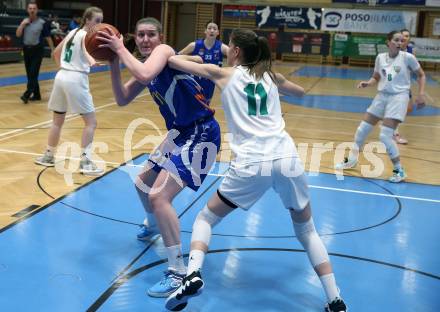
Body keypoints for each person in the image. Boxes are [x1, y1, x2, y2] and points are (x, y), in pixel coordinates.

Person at [165, 28, 347, 312]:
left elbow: (177, 62)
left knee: (206, 218)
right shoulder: (270, 76)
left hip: (252, 162)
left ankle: (192, 275)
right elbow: (298, 91)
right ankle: (335, 300)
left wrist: (165, 53)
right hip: (287, 157)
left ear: (235, 52)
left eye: (230, 47)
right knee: (308, 231)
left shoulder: (223, 74)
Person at [97, 17, 221, 297]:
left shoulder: (164, 52)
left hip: (201, 132)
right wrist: (114, 62)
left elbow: (142, 74)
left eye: (150, 34)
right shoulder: (146, 66)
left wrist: (119, 47)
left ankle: (178, 272)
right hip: (179, 133)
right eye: (140, 35)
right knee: (142, 182)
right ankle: (153, 225)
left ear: (160, 36)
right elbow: (121, 98)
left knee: (158, 196)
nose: (144, 39)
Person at [335, 30, 426, 183]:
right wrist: (368, 83)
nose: (399, 43)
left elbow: (421, 75)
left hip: (399, 98)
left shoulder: (408, 58)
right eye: (396, 40)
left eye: (402, 40)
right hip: (382, 96)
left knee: (385, 135)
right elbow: (377, 76)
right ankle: (352, 159)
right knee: (362, 129)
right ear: (388, 42)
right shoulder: (380, 58)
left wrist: (421, 94)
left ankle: (399, 170)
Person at [34, 7, 104, 176]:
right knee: (91, 122)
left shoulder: (72, 32)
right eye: (97, 21)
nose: (99, 25)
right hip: (76, 79)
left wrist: (64, 68)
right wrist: (99, 61)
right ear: (87, 20)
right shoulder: (86, 36)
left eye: (101, 21)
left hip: (61, 76)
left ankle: (48, 156)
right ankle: (86, 162)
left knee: (57, 121)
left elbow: (56, 53)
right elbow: (90, 58)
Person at [179, 21, 228, 104]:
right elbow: (177, 56)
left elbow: (235, 55)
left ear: (218, 32)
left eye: (214, 29)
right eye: (209, 28)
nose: (212, 30)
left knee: (205, 105)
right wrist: (190, 59)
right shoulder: (194, 45)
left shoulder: (222, 47)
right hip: (194, 81)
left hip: (210, 83)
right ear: (205, 31)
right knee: (193, 105)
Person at [16, 1, 54, 103]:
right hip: (26, 50)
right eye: (30, 8)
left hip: (37, 51)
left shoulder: (42, 22)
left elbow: (48, 37)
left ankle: (27, 94)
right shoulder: (23, 21)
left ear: (37, 10)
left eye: (34, 8)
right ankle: (37, 95)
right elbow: (18, 34)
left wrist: (53, 50)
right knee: (30, 74)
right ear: (27, 10)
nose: (32, 10)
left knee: (33, 73)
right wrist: (22, 25)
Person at [393, 28, 417, 145]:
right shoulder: (395, 49)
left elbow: (414, 67)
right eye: (403, 36)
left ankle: (389, 123)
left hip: (406, 84)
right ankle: (395, 133)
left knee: (409, 108)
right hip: (395, 85)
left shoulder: (410, 50)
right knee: (399, 110)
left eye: (407, 36)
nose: (405, 38)